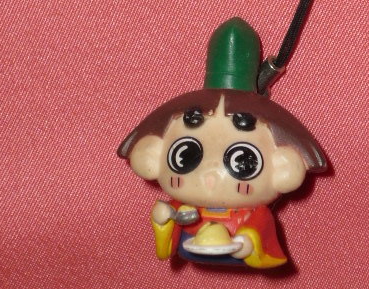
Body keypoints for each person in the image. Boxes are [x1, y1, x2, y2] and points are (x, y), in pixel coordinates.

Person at [118, 18, 326, 268]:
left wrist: (247, 243)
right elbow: (165, 247)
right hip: (191, 247)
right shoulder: (183, 209)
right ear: (152, 155)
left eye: (243, 162)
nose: (210, 176)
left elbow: (260, 229)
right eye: (185, 156)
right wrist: (163, 220)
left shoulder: (253, 213)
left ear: (283, 167)